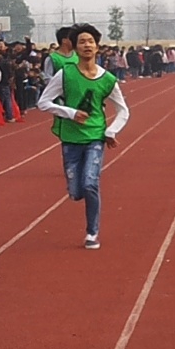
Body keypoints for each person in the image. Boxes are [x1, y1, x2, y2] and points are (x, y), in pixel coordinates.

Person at [37, 25, 128, 249]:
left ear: (97, 46)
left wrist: (110, 131)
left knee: (90, 183)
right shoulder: (65, 74)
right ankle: (81, 201)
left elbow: (123, 110)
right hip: (70, 139)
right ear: (74, 47)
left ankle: (92, 233)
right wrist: (69, 113)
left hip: (95, 137)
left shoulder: (108, 79)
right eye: (82, 42)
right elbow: (43, 103)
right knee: (76, 191)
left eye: (90, 41)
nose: (87, 45)